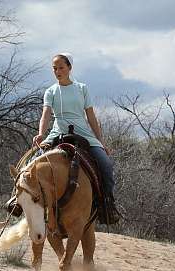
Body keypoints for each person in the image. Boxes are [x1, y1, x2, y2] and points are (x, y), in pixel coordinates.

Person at [33, 53, 120, 224]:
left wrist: (100, 142)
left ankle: (107, 205)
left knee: (106, 165)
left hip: (82, 132)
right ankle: (24, 203)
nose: (57, 71)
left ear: (69, 68)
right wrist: (41, 134)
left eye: (61, 67)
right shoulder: (50, 91)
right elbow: (46, 114)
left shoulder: (82, 88)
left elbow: (91, 116)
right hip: (57, 132)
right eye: (54, 68)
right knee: (34, 163)